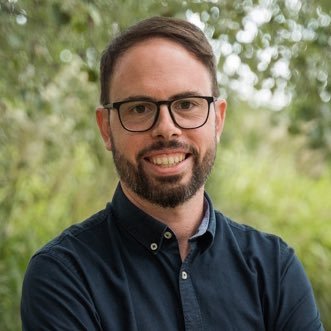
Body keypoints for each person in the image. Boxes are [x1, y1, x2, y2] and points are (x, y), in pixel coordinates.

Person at [21, 16, 324, 330]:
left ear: (217, 120)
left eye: (187, 104)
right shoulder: (64, 275)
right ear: (106, 128)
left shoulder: (274, 269)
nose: (166, 128)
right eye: (139, 108)